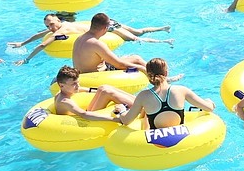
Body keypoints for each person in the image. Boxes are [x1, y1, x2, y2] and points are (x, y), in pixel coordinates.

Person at [10, 13, 172, 65]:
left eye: (52, 24)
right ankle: (162, 28)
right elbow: (39, 35)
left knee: (136, 39)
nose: (50, 28)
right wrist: (22, 43)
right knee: (139, 32)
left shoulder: (62, 30)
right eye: (48, 26)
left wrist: (27, 60)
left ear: (58, 20)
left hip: (108, 28)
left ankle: (164, 41)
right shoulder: (63, 25)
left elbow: (42, 45)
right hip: (109, 22)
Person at [115, 58, 214, 129]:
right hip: (182, 141)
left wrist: (122, 111)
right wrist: (208, 101)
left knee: (146, 115)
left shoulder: (143, 96)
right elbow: (209, 108)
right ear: (166, 73)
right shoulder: (181, 90)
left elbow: (126, 121)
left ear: (148, 76)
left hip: (155, 146)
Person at [50, 65, 135, 121]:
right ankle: (136, 107)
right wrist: (116, 120)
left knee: (103, 88)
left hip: (87, 112)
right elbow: (84, 115)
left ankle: (136, 100)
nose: (78, 86)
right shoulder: (65, 101)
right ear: (61, 85)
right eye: (74, 84)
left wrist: (97, 91)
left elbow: (82, 89)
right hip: (85, 121)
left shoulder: (64, 91)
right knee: (107, 92)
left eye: (78, 82)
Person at [72, 13, 147, 73]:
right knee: (137, 60)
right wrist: (141, 68)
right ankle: (154, 76)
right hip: (97, 75)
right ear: (105, 28)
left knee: (130, 58)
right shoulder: (96, 44)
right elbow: (119, 65)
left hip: (82, 74)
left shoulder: (79, 38)